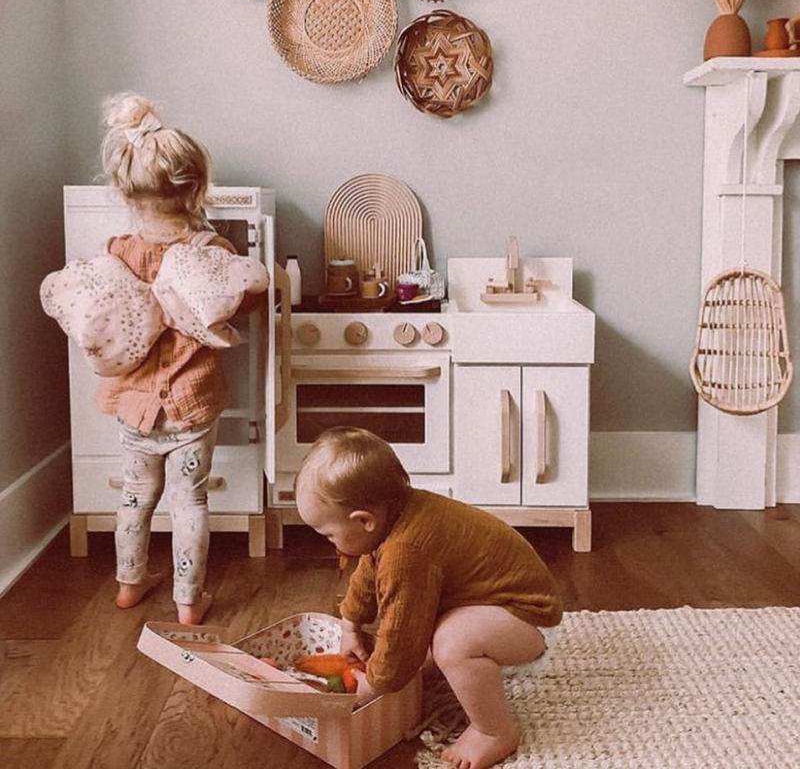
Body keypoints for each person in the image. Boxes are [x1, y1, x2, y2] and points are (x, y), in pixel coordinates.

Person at [295, 427, 563, 769]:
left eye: (329, 534)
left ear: (363, 520)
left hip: (529, 618)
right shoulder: (392, 517)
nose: (330, 543)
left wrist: (373, 686)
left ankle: (494, 731)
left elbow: (402, 632)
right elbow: (368, 572)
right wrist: (351, 623)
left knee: (450, 642)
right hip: (492, 605)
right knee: (432, 633)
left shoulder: (406, 551)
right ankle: (458, 667)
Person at [96, 91, 263, 624]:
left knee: (136, 497)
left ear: (126, 191)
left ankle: (129, 583)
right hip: (192, 405)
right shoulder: (211, 251)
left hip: (135, 405)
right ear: (195, 191)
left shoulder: (118, 250)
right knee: (188, 501)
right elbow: (247, 302)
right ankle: (189, 601)